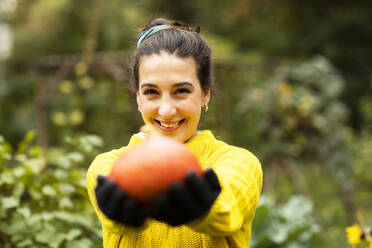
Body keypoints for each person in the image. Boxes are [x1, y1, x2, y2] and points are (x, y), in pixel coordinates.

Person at [86, 18, 263, 248]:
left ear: (205, 94)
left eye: (181, 91)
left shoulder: (240, 163)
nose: (166, 110)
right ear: (138, 97)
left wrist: (205, 207)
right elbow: (117, 223)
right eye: (151, 92)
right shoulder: (106, 167)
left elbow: (227, 208)